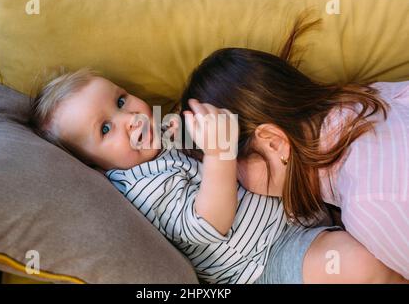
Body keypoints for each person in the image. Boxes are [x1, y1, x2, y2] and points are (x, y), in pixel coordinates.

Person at [29, 68, 405, 283]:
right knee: (357, 265)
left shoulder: (162, 133)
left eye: (122, 100)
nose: (130, 119)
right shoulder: (139, 186)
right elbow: (205, 225)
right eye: (105, 129)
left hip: (302, 218)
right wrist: (220, 153)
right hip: (262, 262)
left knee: (372, 235)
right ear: (95, 166)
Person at [180, 22, 409, 282]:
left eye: (231, 165)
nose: (233, 183)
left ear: (274, 142)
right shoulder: (367, 99)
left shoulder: (371, 204)